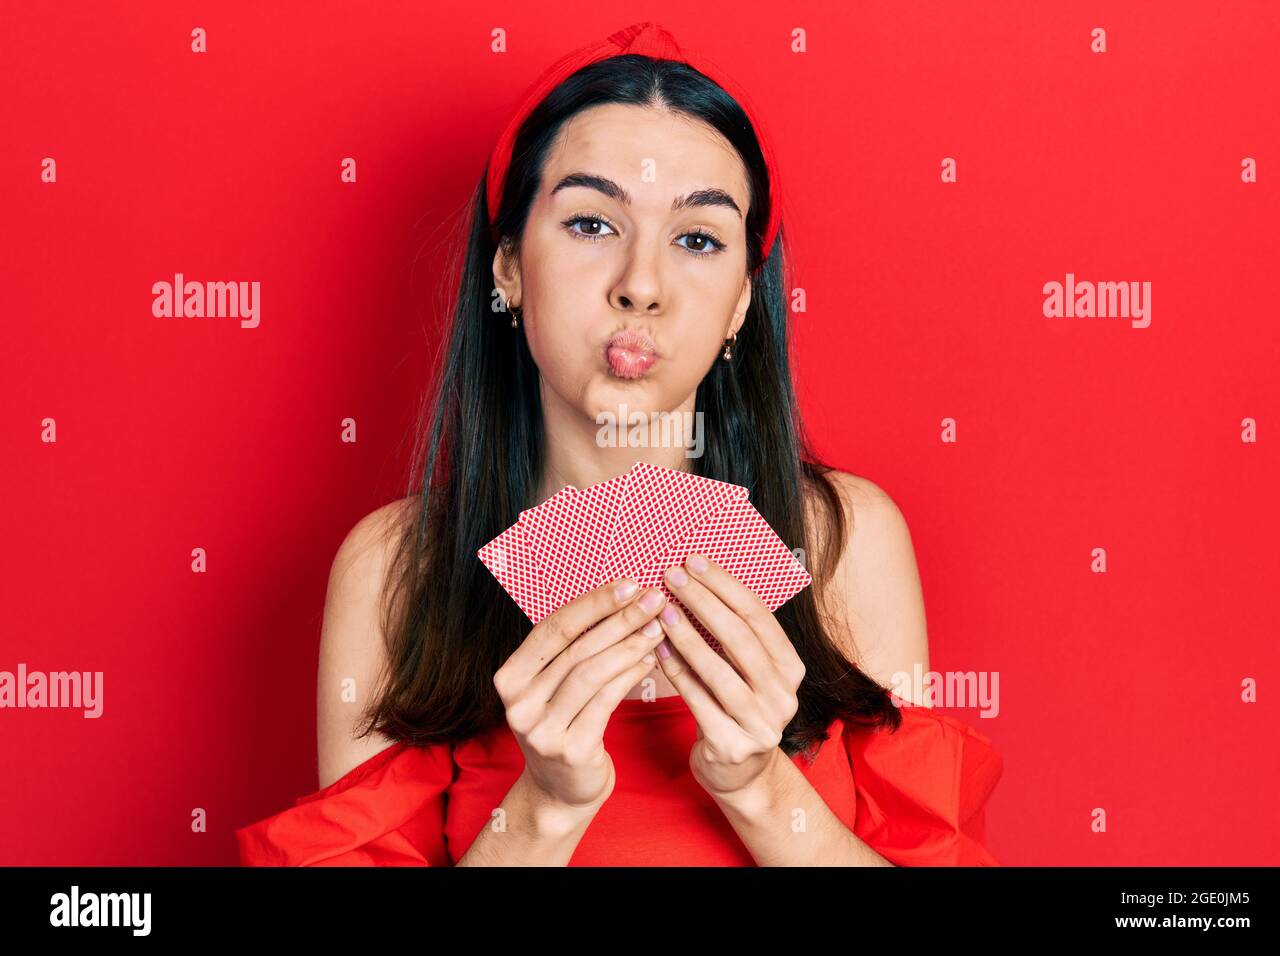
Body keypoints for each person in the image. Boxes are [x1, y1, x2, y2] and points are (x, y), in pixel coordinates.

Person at [235, 21, 1003, 867]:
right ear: (508, 268)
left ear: (743, 304)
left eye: (698, 239)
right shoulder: (399, 568)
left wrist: (759, 788)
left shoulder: (843, 540)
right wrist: (544, 810)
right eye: (592, 224)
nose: (641, 285)